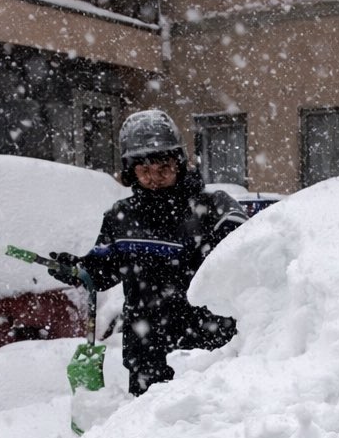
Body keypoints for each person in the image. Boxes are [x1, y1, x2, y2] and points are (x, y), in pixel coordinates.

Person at [50, 109, 247, 396]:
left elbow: (247, 262)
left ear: (179, 164)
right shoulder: (122, 217)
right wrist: (79, 269)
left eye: (163, 168)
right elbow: (103, 271)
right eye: (144, 171)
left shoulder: (215, 209)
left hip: (209, 349)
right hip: (147, 351)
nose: (154, 177)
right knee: (149, 432)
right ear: (132, 172)